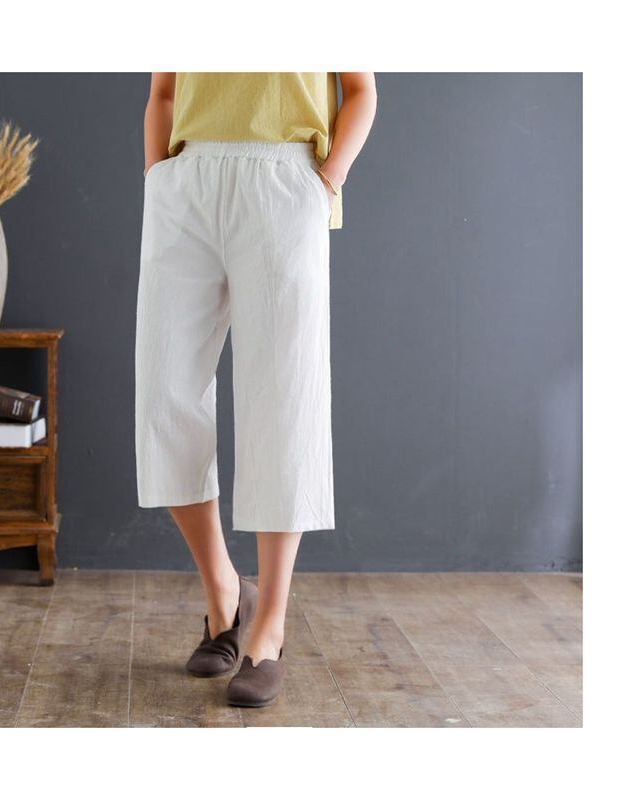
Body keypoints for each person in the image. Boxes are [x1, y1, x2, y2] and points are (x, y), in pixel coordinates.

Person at [136, 72, 377, 707]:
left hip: (284, 179)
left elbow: (361, 90)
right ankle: (223, 590)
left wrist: (325, 182)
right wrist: (158, 177)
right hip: (184, 183)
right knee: (164, 396)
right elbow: (164, 91)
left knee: (283, 401)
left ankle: (268, 627)